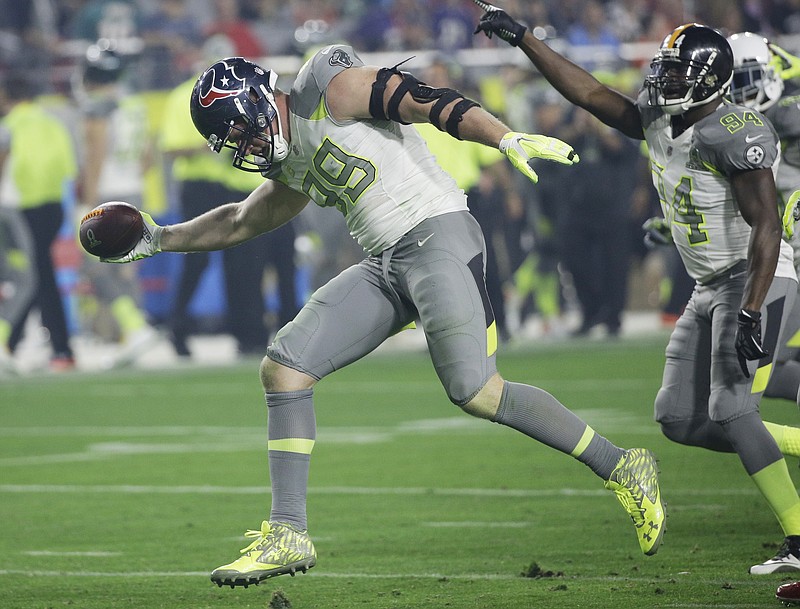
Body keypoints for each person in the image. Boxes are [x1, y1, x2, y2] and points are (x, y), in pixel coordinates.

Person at [103, 46, 665, 586]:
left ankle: (621, 465)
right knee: (285, 367)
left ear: (258, 100)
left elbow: (429, 101)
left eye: (243, 131)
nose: (244, 147)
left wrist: (503, 136)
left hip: (438, 233)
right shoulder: (291, 155)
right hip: (387, 260)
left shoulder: (328, 84)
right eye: (232, 143)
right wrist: (160, 238)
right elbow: (238, 221)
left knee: (477, 391)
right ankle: (288, 532)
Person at [474, 8, 800, 574]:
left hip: (755, 280)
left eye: (678, 75)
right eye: (665, 70)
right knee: (680, 419)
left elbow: (767, 226)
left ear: (710, 82)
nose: (665, 82)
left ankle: (798, 538)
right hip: (707, 284)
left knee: (731, 407)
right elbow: (590, 92)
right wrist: (524, 38)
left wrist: (750, 309)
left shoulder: (734, 132)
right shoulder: (655, 117)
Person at [727, 32, 800, 406]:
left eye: (746, 79)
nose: (739, 92)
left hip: (795, 260)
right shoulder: (740, 125)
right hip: (788, 259)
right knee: (757, 367)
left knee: (756, 369)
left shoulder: (788, 110)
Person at [0, 72, 78, 371]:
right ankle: (29, 343)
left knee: (33, 277)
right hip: (53, 205)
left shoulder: (10, 126)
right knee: (39, 275)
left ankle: (56, 347)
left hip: (21, 209)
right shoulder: (52, 122)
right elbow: (70, 166)